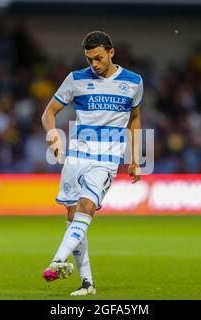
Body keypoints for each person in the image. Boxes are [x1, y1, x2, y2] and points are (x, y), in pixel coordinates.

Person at [41, 31, 143, 295]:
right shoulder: (75, 79)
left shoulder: (133, 82)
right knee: (74, 216)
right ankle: (87, 282)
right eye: (89, 60)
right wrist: (53, 135)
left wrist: (134, 159)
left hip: (107, 158)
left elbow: (134, 119)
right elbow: (49, 112)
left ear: (111, 52)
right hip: (76, 157)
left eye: (98, 58)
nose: (94, 65)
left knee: (87, 206)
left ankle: (56, 261)